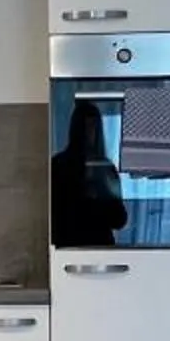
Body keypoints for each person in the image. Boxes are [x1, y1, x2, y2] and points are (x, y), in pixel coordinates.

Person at [51, 98, 129, 248]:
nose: (89, 133)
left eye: (93, 127)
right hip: (75, 247)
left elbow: (119, 219)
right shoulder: (60, 166)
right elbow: (54, 217)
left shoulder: (104, 168)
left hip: (89, 247)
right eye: (85, 127)